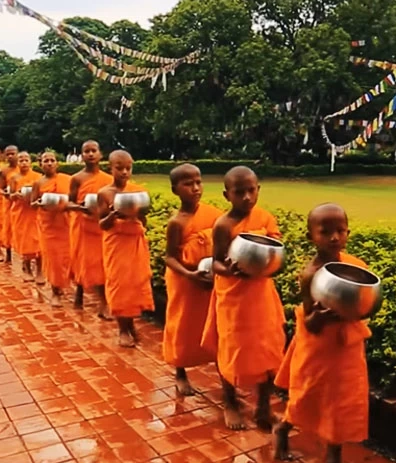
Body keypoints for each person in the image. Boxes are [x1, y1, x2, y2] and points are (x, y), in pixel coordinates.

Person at [272, 203, 370, 463]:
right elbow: (311, 321)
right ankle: (283, 428)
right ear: (310, 236)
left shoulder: (354, 266)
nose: (334, 237)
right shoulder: (311, 274)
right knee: (307, 394)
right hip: (319, 345)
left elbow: (364, 303)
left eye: (340, 230)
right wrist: (324, 316)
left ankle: (333, 460)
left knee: (343, 401)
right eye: (325, 231)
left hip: (347, 345)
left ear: (348, 232)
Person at [201, 166, 286, 431]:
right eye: (240, 192)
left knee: (268, 347)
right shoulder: (223, 225)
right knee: (231, 347)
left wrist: (268, 265)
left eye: (251, 190)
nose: (247, 197)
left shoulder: (265, 218)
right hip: (233, 295)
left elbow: (277, 254)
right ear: (228, 195)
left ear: (258, 189)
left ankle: (262, 406)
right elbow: (216, 263)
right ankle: (229, 401)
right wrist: (233, 270)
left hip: (261, 294)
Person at [162, 163, 222, 395]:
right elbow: (169, 257)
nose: (195, 188)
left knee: (213, 325)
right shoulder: (177, 222)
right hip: (184, 279)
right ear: (175, 189)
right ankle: (180, 372)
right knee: (182, 325)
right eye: (188, 184)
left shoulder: (214, 214)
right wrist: (189, 275)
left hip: (208, 277)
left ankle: (222, 372)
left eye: (198, 182)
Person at [97, 151, 154, 347]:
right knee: (120, 285)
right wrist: (113, 215)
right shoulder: (104, 193)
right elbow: (102, 224)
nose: (124, 172)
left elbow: (143, 221)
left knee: (135, 284)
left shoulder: (137, 191)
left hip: (135, 242)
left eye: (128, 168)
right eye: (119, 168)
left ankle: (130, 324)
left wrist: (140, 213)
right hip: (116, 243)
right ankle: (122, 328)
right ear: (109, 168)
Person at [67, 140, 113, 318]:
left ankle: (97, 298)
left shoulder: (108, 179)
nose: (90, 154)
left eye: (94, 150)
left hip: (102, 226)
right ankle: (97, 300)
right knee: (86, 261)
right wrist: (80, 208)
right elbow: (69, 202)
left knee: (101, 263)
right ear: (81, 156)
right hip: (83, 225)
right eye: (86, 151)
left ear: (100, 154)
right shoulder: (77, 179)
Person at [32, 152, 73, 306]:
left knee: (67, 258)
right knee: (54, 260)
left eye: (52, 160)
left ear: (57, 163)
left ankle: (64, 286)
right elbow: (32, 202)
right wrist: (41, 204)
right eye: (46, 161)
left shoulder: (67, 180)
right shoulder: (38, 183)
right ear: (40, 164)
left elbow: (73, 199)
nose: (49, 163)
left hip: (66, 224)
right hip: (48, 226)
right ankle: (55, 291)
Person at [9, 152, 43, 282]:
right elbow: (10, 196)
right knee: (25, 242)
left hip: (35, 213)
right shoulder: (14, 178)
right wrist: (16, 195)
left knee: (39, 242)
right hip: (21, 213)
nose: (24, 163)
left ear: (31, 162)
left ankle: (40, 270)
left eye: (26, 160)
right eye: (21, 160)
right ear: (17, 163)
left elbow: (42, 193)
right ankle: (27, 268)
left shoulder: (38, 177)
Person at [0, 146, 20, 264]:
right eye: (8, 154)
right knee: (8, 228)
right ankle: (8, 254)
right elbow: (1, 189)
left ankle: (26, 256)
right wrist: (6, 193)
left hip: (22, 203)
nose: (10, 156)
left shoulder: (24, 168)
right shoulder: (4, 171)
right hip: (9, 203)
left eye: (13, 154)